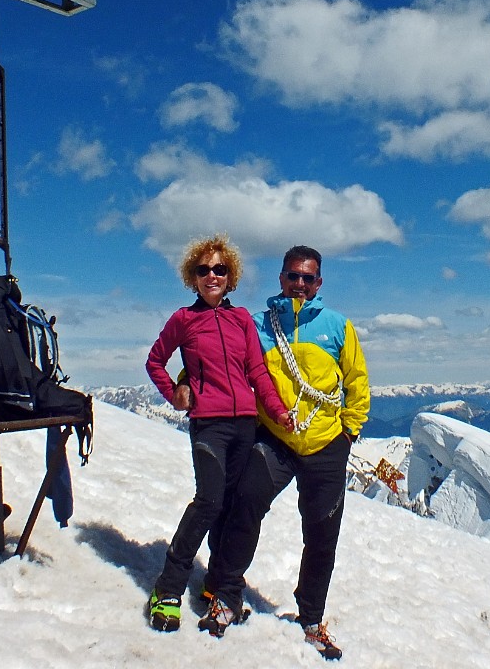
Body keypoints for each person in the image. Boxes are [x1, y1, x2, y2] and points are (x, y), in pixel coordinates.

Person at [199, 245, 370, 661]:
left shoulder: (337, 327)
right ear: (280, 278)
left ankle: (312, 619)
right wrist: (189, 377)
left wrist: (348, 431)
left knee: (321, 536)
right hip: (275, 439)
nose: (299, 284)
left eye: (307, 278)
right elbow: (217, 357)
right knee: (244, 509)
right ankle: (226, 597)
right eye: (292, 276)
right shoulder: (258, 326)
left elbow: (357, 382)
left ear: (318, 283)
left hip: (326, 445)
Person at [144, 235, 294, 633]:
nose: (212, 275)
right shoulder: (183, 320)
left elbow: (257, 372)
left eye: (220, 269)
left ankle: (216, 583)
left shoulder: (241, 318)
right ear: (193, 277)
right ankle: (168, 588)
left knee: (230, 505)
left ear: (231, 277)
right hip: (208, 424)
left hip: (245, 422)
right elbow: (155, 360)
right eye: (203, 269)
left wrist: (277, 411)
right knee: (209, 501)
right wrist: (173, 392)